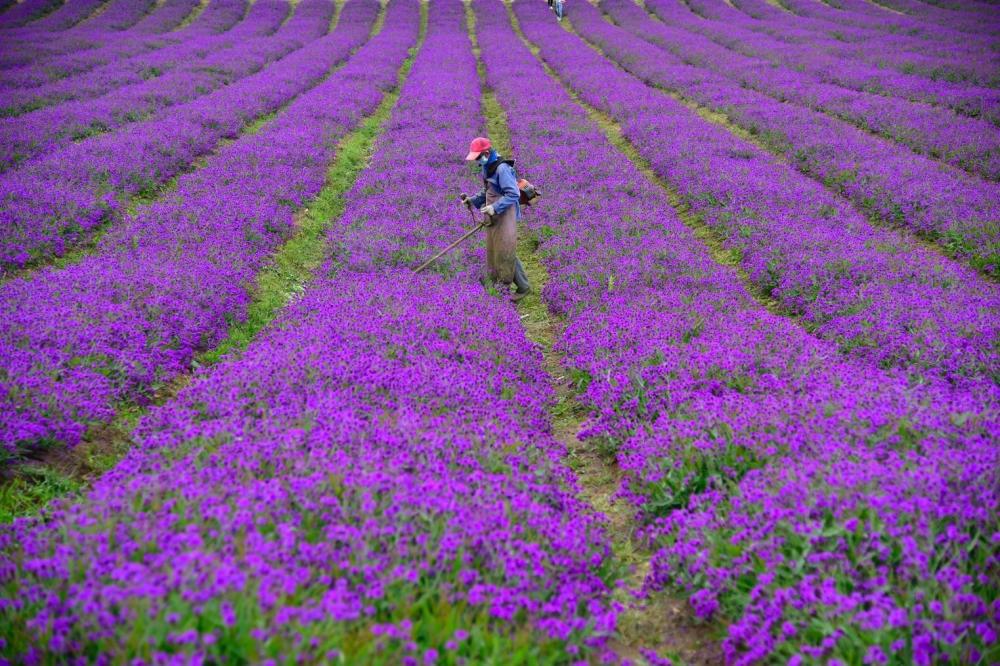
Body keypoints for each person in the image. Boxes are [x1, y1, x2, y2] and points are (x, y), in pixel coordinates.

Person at [459, 137, 531, 302]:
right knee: (501, 250)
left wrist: (495, 207)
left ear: (486, 152)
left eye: (478, 157)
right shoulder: (487, 167)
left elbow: (513, 194)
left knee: (505, 250)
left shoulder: (502, 169)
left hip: (505, 214)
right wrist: (472, 200)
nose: (477, 160)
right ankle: (521, 285)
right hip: (494, 214)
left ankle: (515, 288)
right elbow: (488, 190)